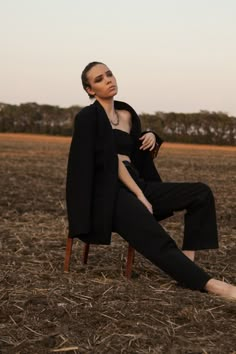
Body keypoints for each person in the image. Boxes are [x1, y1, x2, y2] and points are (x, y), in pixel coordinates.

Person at [66, 61, 236, 300]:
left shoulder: (126, 114)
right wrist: (139, 195)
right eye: (99, 79)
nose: (108, 80)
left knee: (201, 193)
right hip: (107, 192)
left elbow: (135, 153)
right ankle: (211, 285)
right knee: (153, 233)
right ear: (90, 90)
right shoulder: (88, 118)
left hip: (136, 181)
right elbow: (110, 161)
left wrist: (150, 136)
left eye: (109, 74)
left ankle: (187, 267)